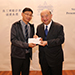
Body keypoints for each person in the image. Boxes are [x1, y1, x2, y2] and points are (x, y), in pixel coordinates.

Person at [35, 9, 65, 75]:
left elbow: (61, 40)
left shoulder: (58, 27)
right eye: (42, 16)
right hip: (43, 59)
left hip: (55, 59)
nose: (44, 18)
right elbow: (39, 39)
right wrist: (36, 38)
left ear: (51, 16)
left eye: (46, 16)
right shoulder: (39, 27)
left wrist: (47, 42)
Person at [10, 7, 36, 75]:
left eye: (30, 15)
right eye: (27, 14)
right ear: (22, 14)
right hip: (17, 55)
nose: (29, 16)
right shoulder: (15, 25)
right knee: (16, 73)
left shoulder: (31, 26)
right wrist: (27, 45)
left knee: (26, 73)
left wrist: (35, 38)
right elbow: (13, 40)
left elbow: (31, 39)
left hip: (27, 55)